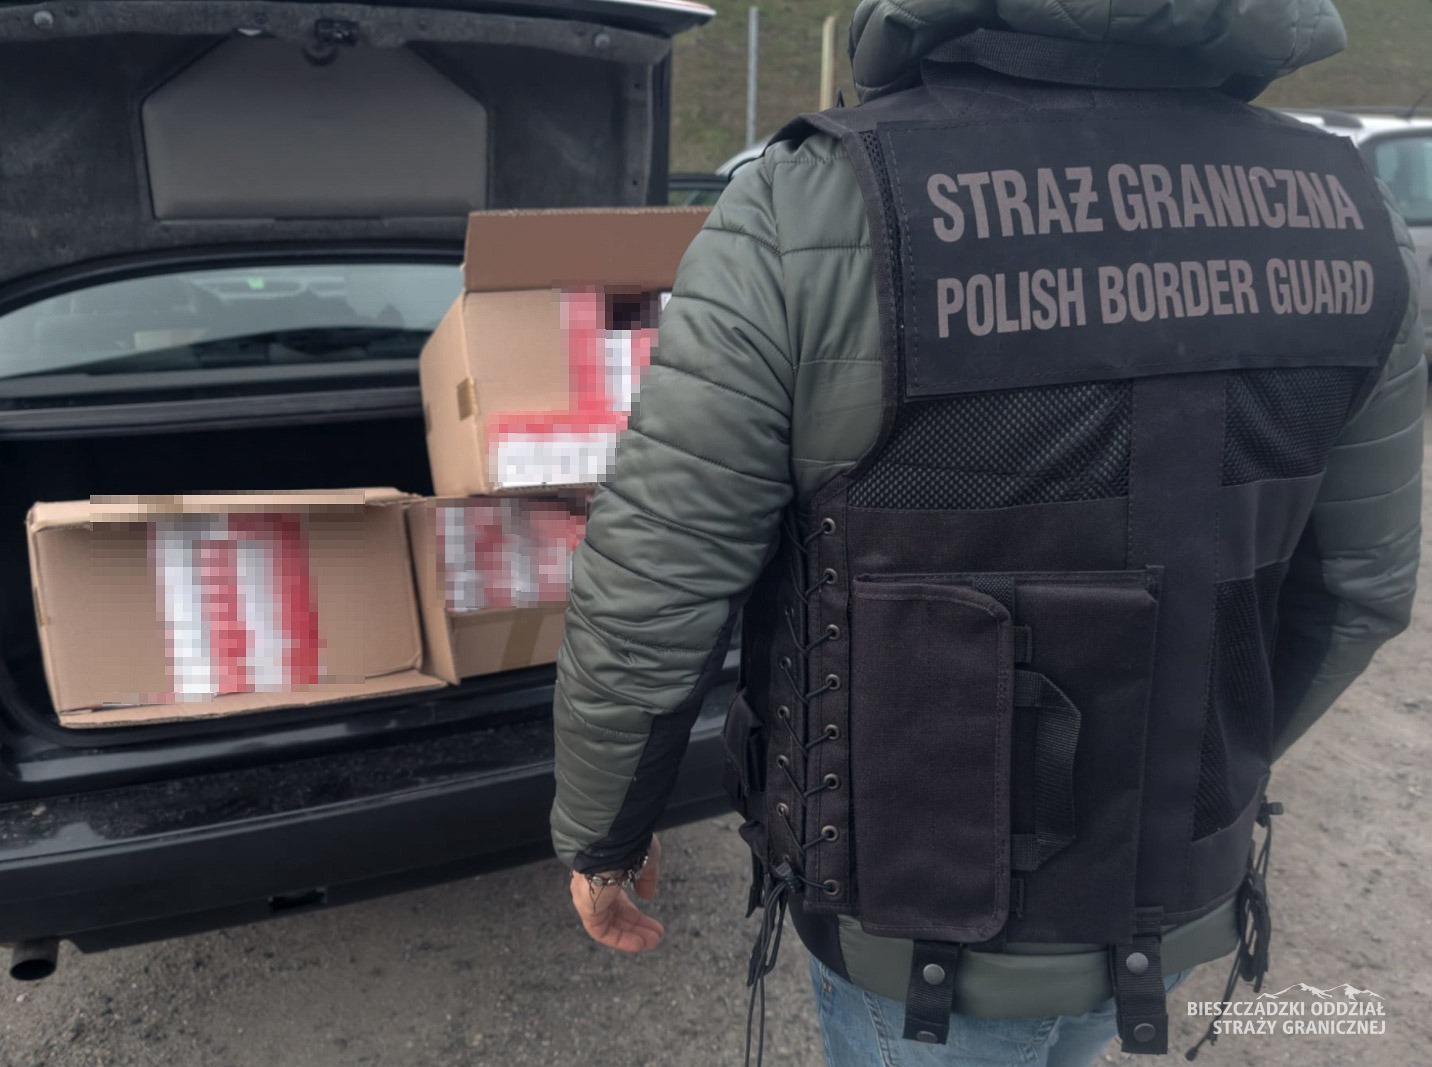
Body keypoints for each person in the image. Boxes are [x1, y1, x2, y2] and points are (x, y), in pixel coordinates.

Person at [550, 1, 1426, 1064]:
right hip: (1164, 906)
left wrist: (603, 836)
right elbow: (1358, 593)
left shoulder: (812, 199)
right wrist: (1186, 775)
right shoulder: (1353, 212)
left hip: (911, 930)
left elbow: (655, 581)